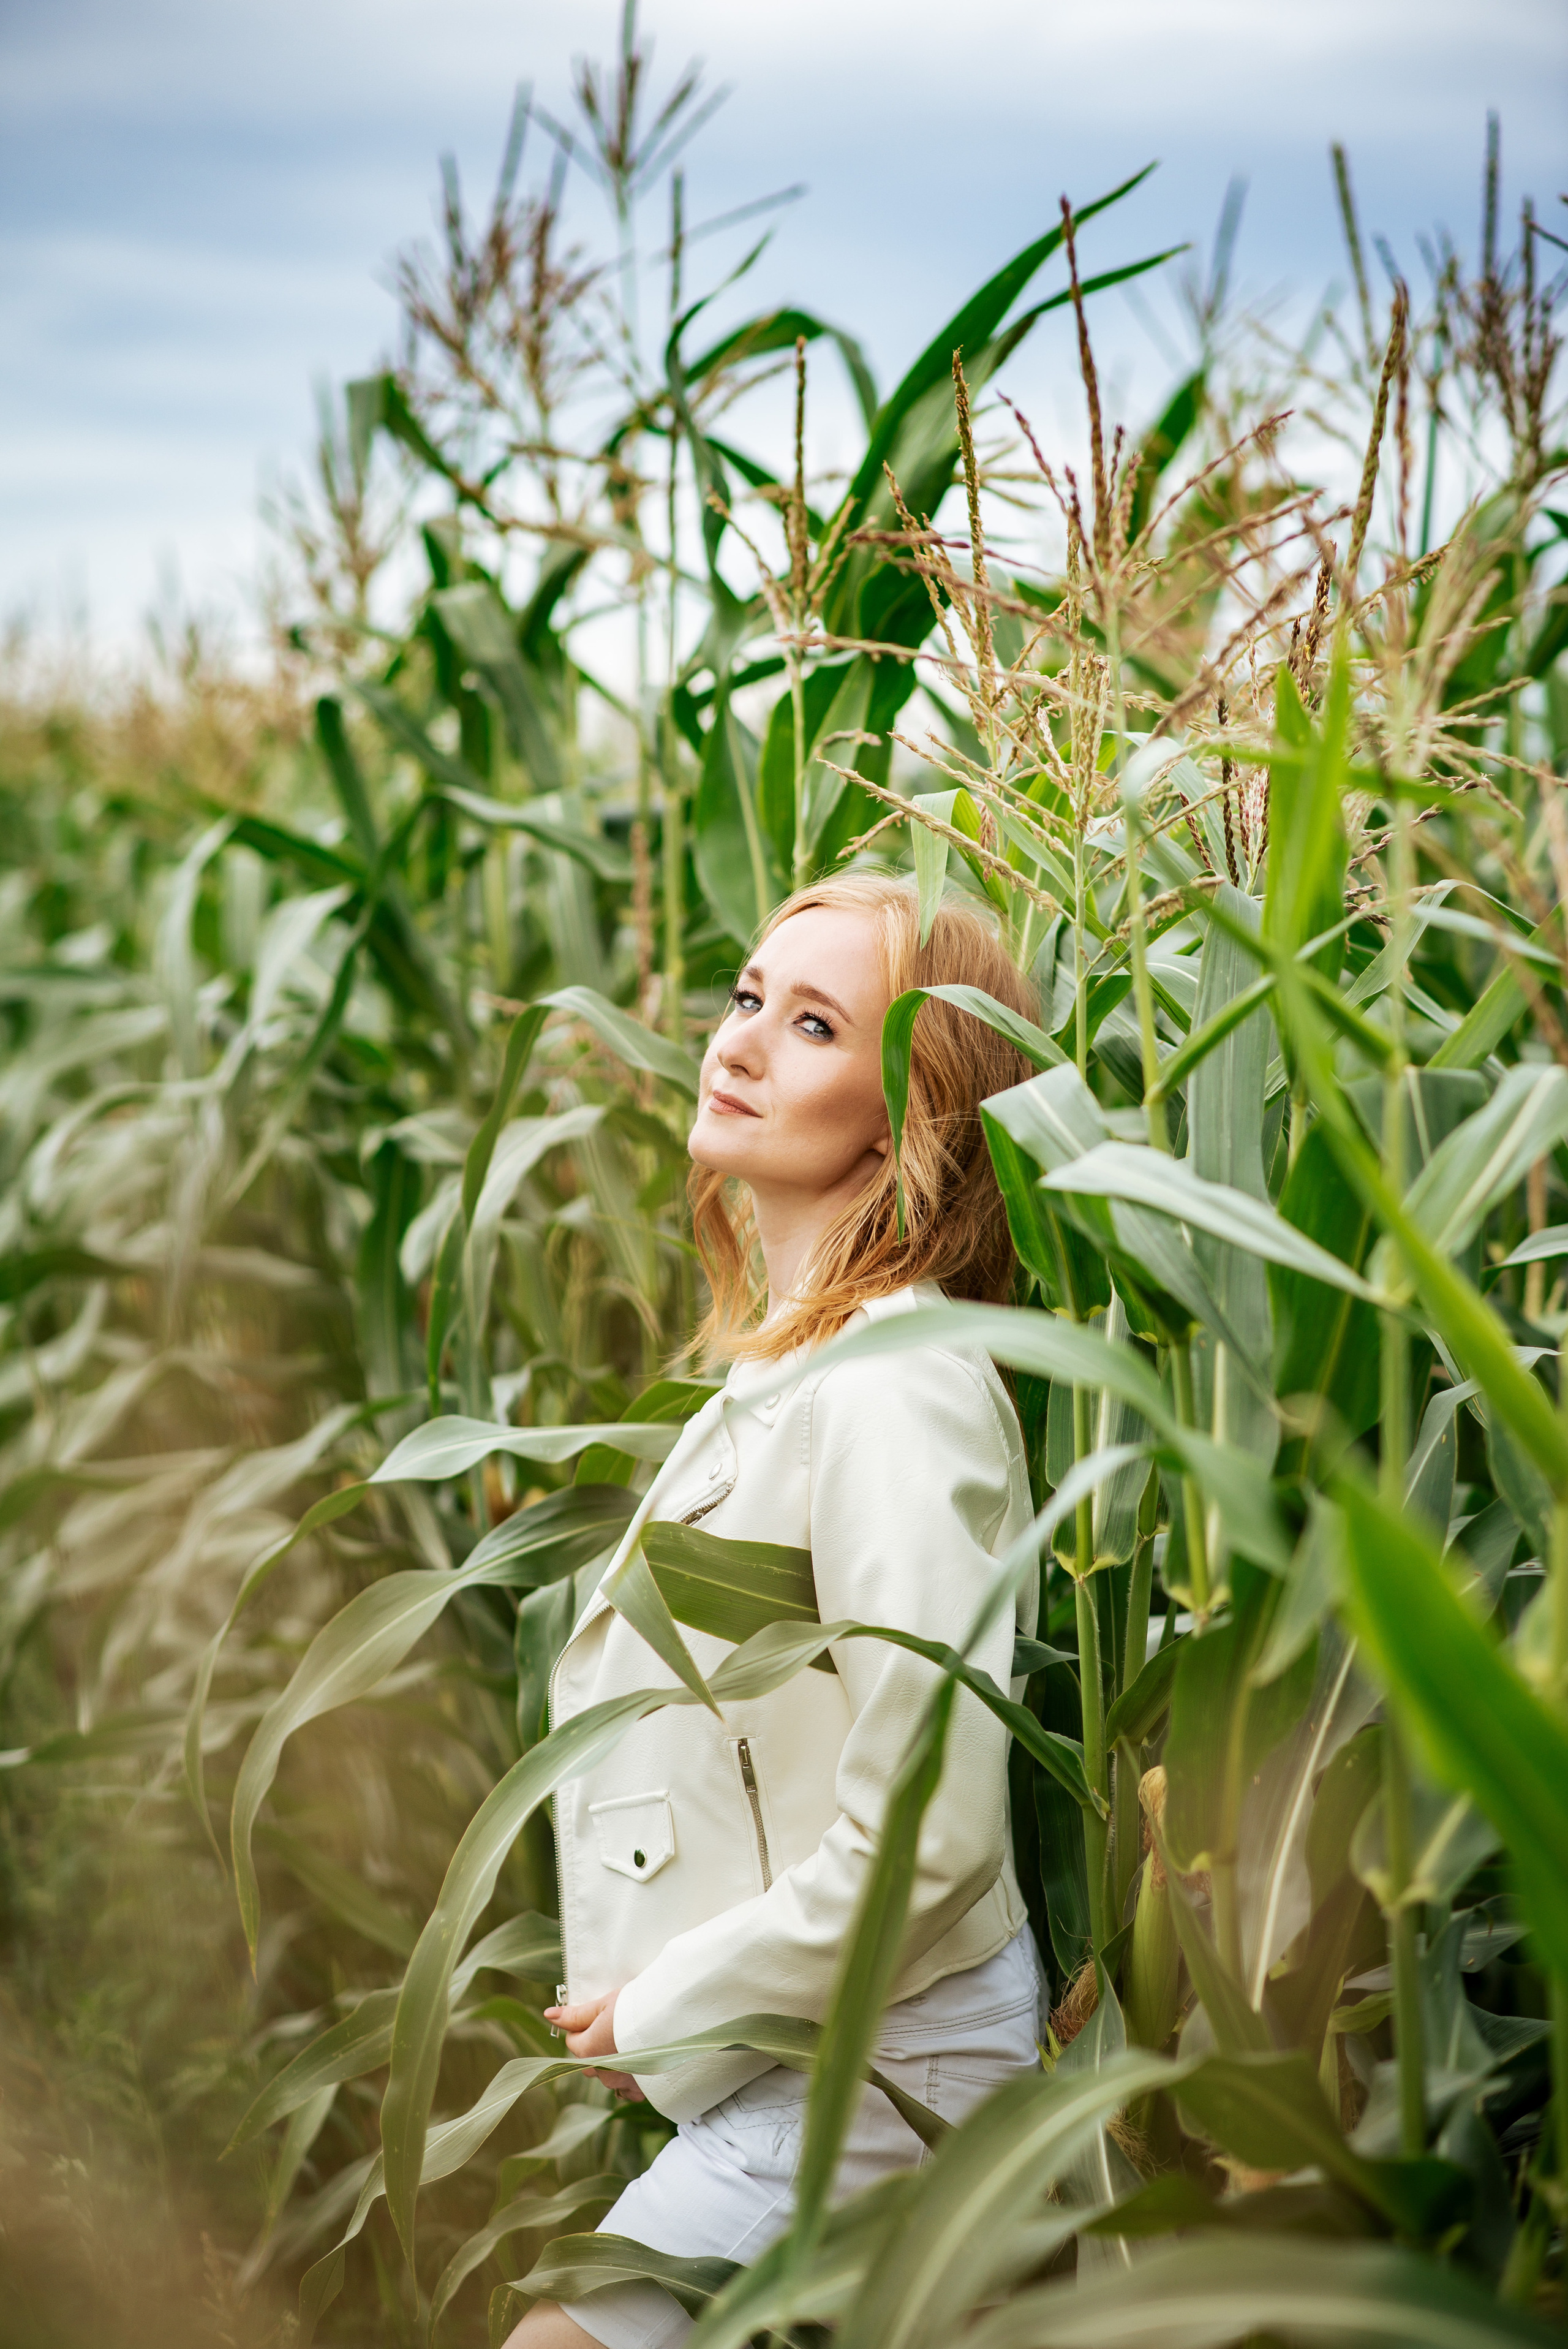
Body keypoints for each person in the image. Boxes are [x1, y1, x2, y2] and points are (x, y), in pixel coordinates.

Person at [508, 872, 1046, 2349]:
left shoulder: (893, 1383)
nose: (737, 1041)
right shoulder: (804, 1358)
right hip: (820, 2038)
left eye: (812, 1026)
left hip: (885, 2061)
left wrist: (668, 2006)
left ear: (905, 1116)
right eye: (748, 997)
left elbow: (930, 1828)